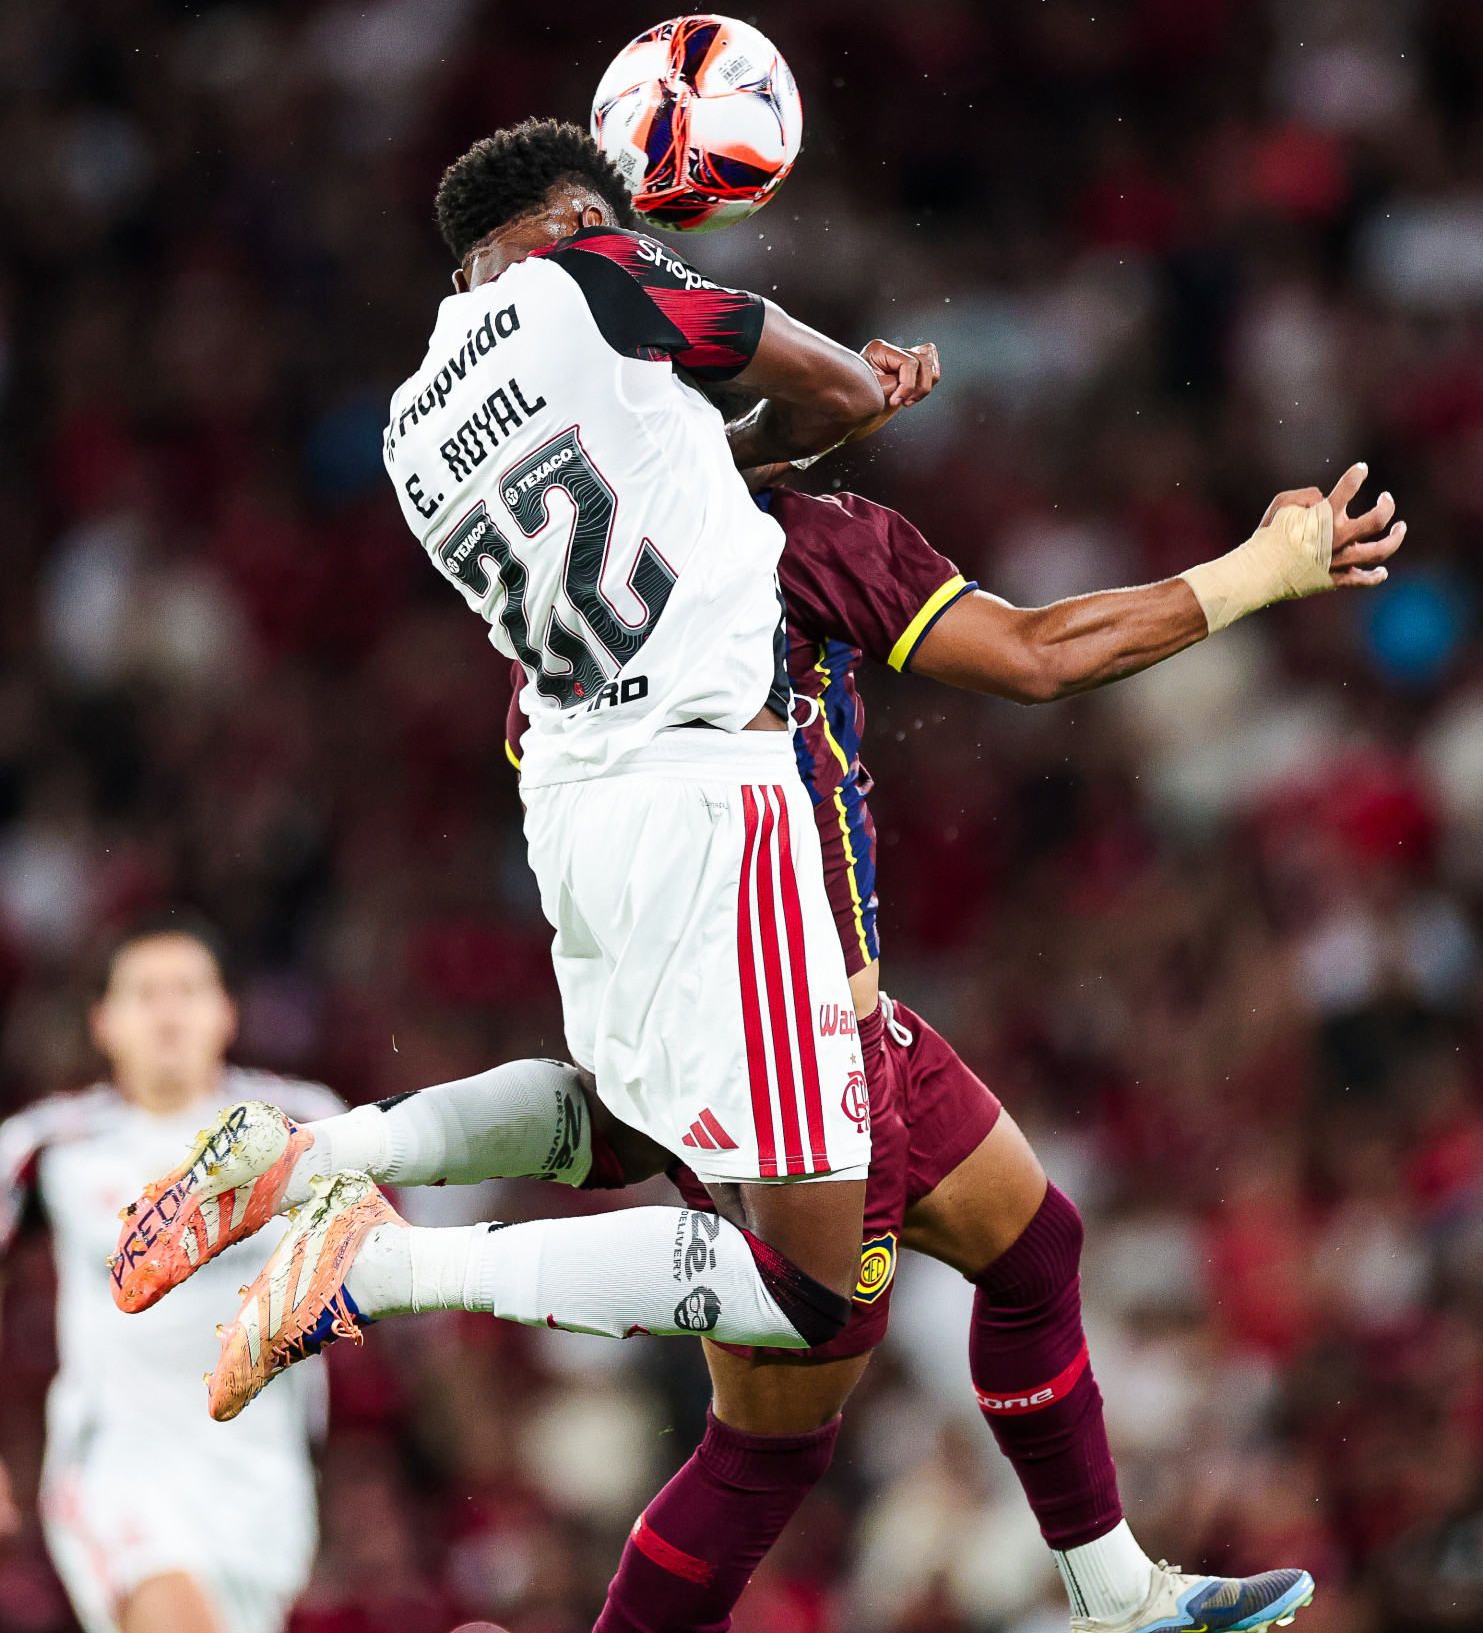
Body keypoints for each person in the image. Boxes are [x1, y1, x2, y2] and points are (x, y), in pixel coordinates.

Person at [112, 449, 1399, 1633]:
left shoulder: (564, 604)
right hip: (790, 1020)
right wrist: (1257, 572)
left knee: (1027, 1245)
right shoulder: (794, 538)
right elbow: (1039, 655)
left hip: (689, 967)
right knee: (773, 1419)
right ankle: (381, 1263)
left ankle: (1114, 1590)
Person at [111, 117, 938, 1410]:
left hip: (572, 805)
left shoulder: (411, 422)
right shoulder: (598, 272)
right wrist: (871, 387)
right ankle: (377, 1269)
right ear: (568, 220)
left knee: (621, 1123)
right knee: (806, 1288)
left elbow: (675, 481)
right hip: (710, 794)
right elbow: (826, 390)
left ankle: (314, 1150)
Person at [0, 915, 337, 1633]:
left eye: (187, 989)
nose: (167, 1011)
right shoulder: (48, 1146)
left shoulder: (308, 1126)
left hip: (261, 1478)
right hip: (120, 1466)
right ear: (103, 1020)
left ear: (226, 1011)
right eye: (143, 992)